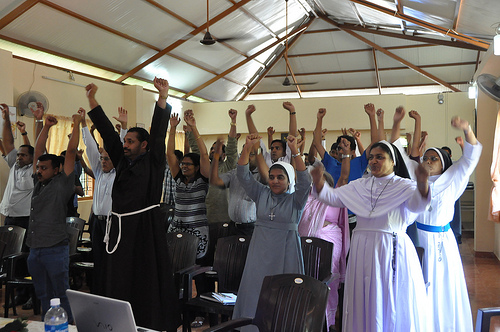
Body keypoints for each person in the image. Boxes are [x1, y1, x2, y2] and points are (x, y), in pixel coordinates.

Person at [85, 78, 179, 331]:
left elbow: (159, 132)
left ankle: (147, 321)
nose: (125, 145)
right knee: (119, 275)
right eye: (125, 142)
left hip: (144, 228)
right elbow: (106, 131)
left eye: (130, 142)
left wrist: (162, 97)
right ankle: (117, 321)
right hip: (119, 228)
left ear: (144, 145)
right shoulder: (122, 161)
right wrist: (92, 100)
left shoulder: (154, 161)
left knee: (144, 276)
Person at [311, 140, 431, 332]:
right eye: (372, 157)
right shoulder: (360, 185)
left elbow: (419, 206)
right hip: (362, 249)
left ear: (393, 162)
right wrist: (319, 184)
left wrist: (423, 184)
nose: (374, 161)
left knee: (389, 297)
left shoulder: (405, 186)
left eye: (380, 157)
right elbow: (333, 198)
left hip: (391, 248)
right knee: (364, 296)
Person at [232, 134, 311, 332]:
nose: (275, 181)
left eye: (280, 177)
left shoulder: (296, 200)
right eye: (272, 177)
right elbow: (242, 175)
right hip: (259, 251)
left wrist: (295, 152)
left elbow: (305, 181)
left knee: (283, 295)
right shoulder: (261, 193)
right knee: (255, 291)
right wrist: (247, 149)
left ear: (289, 179)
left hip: (286, 251)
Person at [415, 116, 481, 332]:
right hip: (417, 241)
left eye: (434, 158)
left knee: (442, 286)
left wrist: (466, 128)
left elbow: (471, 157)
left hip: (441, 242)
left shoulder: (453, 177)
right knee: (419, 285)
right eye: (426, 157)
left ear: (443, 163)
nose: (429, 160)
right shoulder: (414, 181)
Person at [27, 113, 80, 322]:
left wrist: (76, 125)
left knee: (61, 294)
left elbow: (71, 151)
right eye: (38, 167)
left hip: (55, 248)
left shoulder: (62, 183)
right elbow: (38, 151)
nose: (39, 171)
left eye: (44, 168)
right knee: (43, 294)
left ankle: (68, 326)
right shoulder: (38, 184)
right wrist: (46, 127)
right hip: (35, 249)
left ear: (56, 170)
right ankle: (47, 325)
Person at [299, 139, 351, 331]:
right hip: (307, 244)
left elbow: (344, 178)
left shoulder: (335, 196)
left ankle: (327, 322)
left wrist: (346, 155)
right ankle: (307, 322)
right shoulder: (307, 199)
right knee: (308, 281)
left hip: (329, 241)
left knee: (327, 281)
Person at [79, 107, 116, 295]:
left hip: (113, 223)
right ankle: (99, 291)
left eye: (107, 159)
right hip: (97, 222)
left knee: (112, 261)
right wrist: (83, 124)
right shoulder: (100, 173)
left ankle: (112, 291)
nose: (102, 161)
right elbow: (91, 148)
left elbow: (119, 153)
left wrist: (123, 128)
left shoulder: (119, 174)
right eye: (101, 159)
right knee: (98, 258)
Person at [166, 112, 210, 259]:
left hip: (196, 231)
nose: (184, 166)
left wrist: (194, 128)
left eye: (188, 164)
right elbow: (170, 154)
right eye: (182, 163)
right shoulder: (178, 179)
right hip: (176, 229)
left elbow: (204, 155)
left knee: (194, 268)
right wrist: (172, 128)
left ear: (197, 167)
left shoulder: (202, 180)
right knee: (174, 264)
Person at [209, 138, 268, 236]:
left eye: (251, 154)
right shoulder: (234, 173)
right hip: (233, 226)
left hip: (251, 228)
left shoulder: (261, 175)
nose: (247, 157)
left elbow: (266, 179)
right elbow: (214, 181)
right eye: (244, 153)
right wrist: (216, 156)